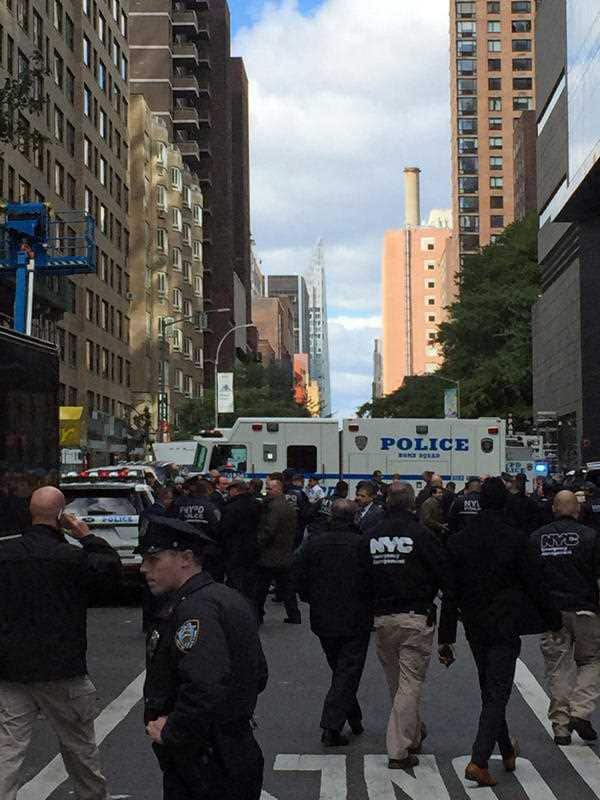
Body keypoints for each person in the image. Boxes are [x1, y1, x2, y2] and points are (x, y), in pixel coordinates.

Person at [0, 486, 121, 800]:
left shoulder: (6, 556)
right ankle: (91, 796)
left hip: (13, 668)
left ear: (30, 512)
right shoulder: (71, 558)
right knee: (79, 748)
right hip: (63, 669)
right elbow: (110, 570)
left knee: (8, 750)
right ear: (60, 516)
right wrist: (85, 534)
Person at [439, 477, 562, 787]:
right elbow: (536, 585)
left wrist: (446, 636)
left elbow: (450, 592)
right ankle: (479, 760)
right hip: (506, 622)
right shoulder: (517, 539)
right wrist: (553, 620)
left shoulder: (459, 541)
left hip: (475, 624)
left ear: (478, 503)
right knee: (498, 692)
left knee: (490, 690)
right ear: (505, 502)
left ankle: (507, 750)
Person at [139, 515, 267, 800]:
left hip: (206, 758)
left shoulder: (196, 610)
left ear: (185, 558)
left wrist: (173, 730)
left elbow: (205, 684)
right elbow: (259, 674)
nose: (144, 568)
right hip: (229, 749)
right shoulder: (224, 597)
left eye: (154, 559)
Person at [358, 483, 453, 771]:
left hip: (382, 618)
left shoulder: (370, 536)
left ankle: (413, 730)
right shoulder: (422, 535)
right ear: (413, 504)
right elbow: (445, 574)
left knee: (397, 683)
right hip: (415, 615)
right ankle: (399, 749)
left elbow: (359, 577)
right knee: (410, 683)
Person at [294, 499, 372, 746]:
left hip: (323, 615)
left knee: (340, 669)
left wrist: (308, 596)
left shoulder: (314, 544)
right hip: (356, 615)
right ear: (354, 517)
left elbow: (297, 573)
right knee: (347, 670)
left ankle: (353, 716)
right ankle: (332, 724)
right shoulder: (362, 544)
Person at [530, 490, 600, 745]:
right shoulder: (591, 536)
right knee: (591, 660)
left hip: (552, 612)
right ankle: (581, 711)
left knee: (557, 668)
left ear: (553, 509)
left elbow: (531, 579)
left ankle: (561, 727)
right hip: (586, 610)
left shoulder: (537, 538)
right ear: (577, 510)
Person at [254, 478, 301, 624]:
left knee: (261, 588)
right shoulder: (288, 505)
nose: (266, 492)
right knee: (287, 587)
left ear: (278, 489)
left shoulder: (273, 507)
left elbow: (269, 530)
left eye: (269, 489)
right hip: (285, 551)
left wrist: (257, 544)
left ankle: (257, 615)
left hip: (271, 553)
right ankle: (294, 615)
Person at [172, 478, 223, 581]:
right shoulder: (211, 507)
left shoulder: (181, 506)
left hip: (185, 549)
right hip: (207, 551)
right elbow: (218, 528)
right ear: (207, 491)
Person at [220, 479, 260, 597]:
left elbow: (225, 529)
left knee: (235, 581)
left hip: (234, 549)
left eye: (230, 490)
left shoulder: (231, 507)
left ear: (235, 490)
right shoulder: (256, 504)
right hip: (252, 547)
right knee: (249, 582)